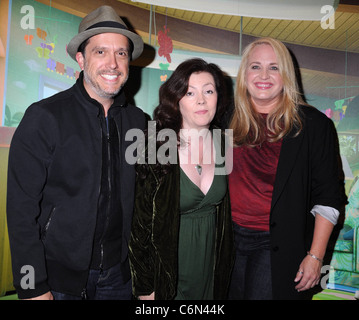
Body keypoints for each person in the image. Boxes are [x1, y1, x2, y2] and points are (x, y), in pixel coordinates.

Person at [6, 5, 146, 300]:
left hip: (120, 278)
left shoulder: (139, 123)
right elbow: (21, 211)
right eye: (100, 52)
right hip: (57, 281)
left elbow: (149, 206)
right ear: (81, 59)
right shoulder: (44, 117)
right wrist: (32, 287)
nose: (113, 63)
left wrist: (146, 279)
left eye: (121, 53)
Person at [228, 37, 346, 300]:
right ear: (244, 73)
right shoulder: (226, 119)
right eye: (255, 66)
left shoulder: (313, 126)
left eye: (274, 67)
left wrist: (315, 256)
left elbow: (328, 197)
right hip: (226, 242)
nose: (264, 75)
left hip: (275, 245)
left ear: (287, 75)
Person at [128, 58, 234, 300]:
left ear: (219, 96)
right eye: (189, 92)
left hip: (212, 269)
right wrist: (146, 289)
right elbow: (138, 225)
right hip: (166, 273)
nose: (201, 100)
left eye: (209, 91)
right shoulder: (155, 143)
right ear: (176, 99)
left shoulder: (225, 142)